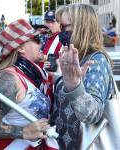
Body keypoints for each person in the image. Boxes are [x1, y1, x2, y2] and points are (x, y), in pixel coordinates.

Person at [0, 19, 58, 150]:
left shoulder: (35, 73)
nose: (41, 43)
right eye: (36, 39)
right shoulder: (8, 78)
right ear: (20, 48)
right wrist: (24, 132)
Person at [49, 4, 113, 150]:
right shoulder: (78, 56)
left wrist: (73, 86)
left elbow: (92, 115)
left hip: (81, 144)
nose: (61, 31)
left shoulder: (96, 61)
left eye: (64, 26)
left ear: (81, 27)